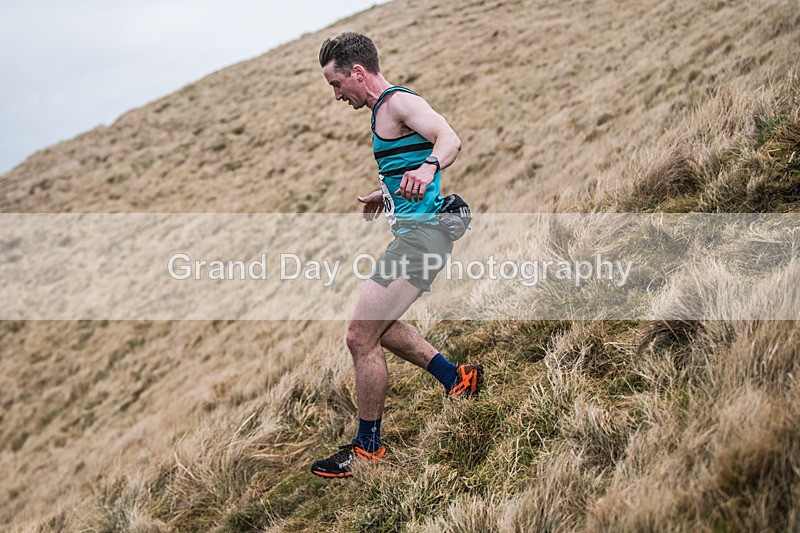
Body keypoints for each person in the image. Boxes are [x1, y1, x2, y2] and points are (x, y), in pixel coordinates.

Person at [311, 32, 483, 479]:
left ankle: (367, 449)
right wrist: (384, 195)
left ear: (358, 73)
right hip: (414, 236)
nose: (336, 96)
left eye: (336, 84)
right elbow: (403, 168)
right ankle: (456, 379)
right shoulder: (380, 116)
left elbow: (448, 138)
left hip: (422, 241)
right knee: (380, 330)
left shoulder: (399, 103)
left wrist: (430, 167)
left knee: (358, 338)